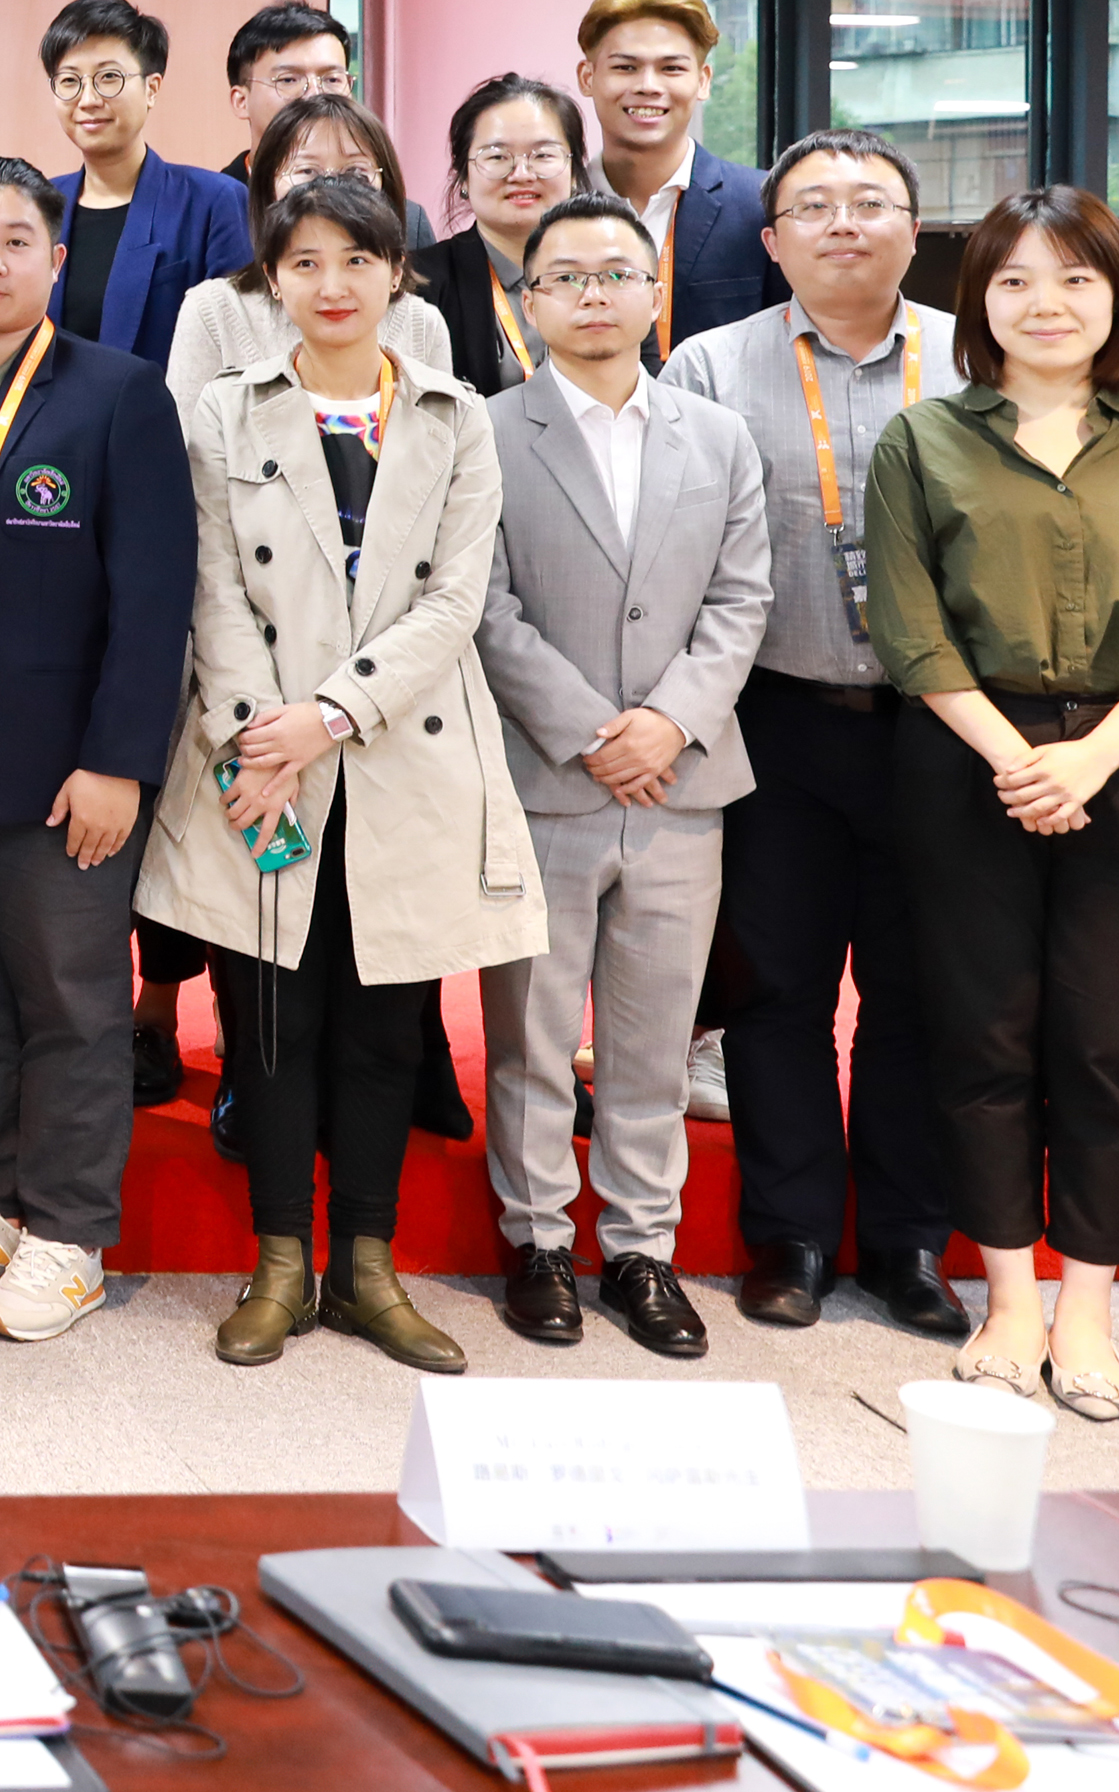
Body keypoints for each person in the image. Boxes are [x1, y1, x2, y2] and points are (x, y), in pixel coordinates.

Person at [139, 175, 535, 1374]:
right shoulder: (220, 412)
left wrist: (331, 715)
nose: (332, 285)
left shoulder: (457, 414)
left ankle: (369, 1267)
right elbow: (210, 589)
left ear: (396, 274)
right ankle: (278, 1266)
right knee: (267, 1024)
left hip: (398, 755)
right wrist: (263, 738)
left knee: (380, 1029)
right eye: (304, 263)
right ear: (271, 279)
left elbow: (454, 601)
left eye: (356, 262)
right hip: (259, 763)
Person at [865, 185, 1119, 1421]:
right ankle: (1010, 1302)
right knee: (985, 1037)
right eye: (1017, 280)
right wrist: (1017, 757)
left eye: (1077, 277)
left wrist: (1089, 759)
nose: (1047, 303)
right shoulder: (924, 440)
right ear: (982, 302)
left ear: (1118, 295)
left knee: (1108, 1046)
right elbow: (910, 633)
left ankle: (1089, 1310)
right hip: (967, 761)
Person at [660, 128, 972, 1340]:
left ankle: (906, 1245)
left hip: (938, 727)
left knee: (917, 991)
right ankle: (787, 1235)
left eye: (871, 203)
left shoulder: (968, 359)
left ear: (912, 227)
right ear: (774, 236)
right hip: (773, 723)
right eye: (815, 207)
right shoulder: (708, 367)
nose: (845, 223)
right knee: (775, 989)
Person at [0, 159, 189, 1345]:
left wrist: (118, 761)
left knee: (71, 1003)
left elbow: (155, 600)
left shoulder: (116, 394)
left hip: (65, 772)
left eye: (18, 241)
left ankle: (67, 1235)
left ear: (55, 263)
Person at [470, 195, 774, 1360]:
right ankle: (537, 1240)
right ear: (527, 302)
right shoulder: (485, 430)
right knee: (533, 1035)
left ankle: (642, 1248)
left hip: (681, 788)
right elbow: (483, 606)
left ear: (655, 295)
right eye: (566, 278)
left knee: (652, 1041)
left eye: (615, 274)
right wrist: (595, 728)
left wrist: (669, 724)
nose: (593, 295)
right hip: (545, 779)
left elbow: (741, 600)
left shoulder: (719, 434)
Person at [164, 95, 460, 403]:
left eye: (356, 173)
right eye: (307, 172)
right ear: (267, 188)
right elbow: (187, 447)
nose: (330, 188)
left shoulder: (422, 322)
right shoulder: (212, 311)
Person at [38, 0, 253, 367]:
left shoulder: (213, 202)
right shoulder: (38, 204)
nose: (87, 99)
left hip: (167, 421)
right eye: (70, 81)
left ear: (151, 88)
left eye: (109, 77)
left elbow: (236, 348)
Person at [577, 0, 783, 350]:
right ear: (588, 77)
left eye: (671, 69)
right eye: (625, 68)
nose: (648, 86)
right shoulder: (555, 205)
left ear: (703, 82)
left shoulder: (760, 204)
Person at [407, 75, 590, 399]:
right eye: (497, 157)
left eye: (543, 155)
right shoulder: (420, 284)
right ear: (463, 175)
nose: (521, 174)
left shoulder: (616, 276)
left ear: (574, 171)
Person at [220, 1, 354, 172]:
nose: (314, 94)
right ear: (241, 101)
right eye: (289, 80)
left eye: (332, 80)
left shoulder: (379, 196)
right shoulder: (218, 198)